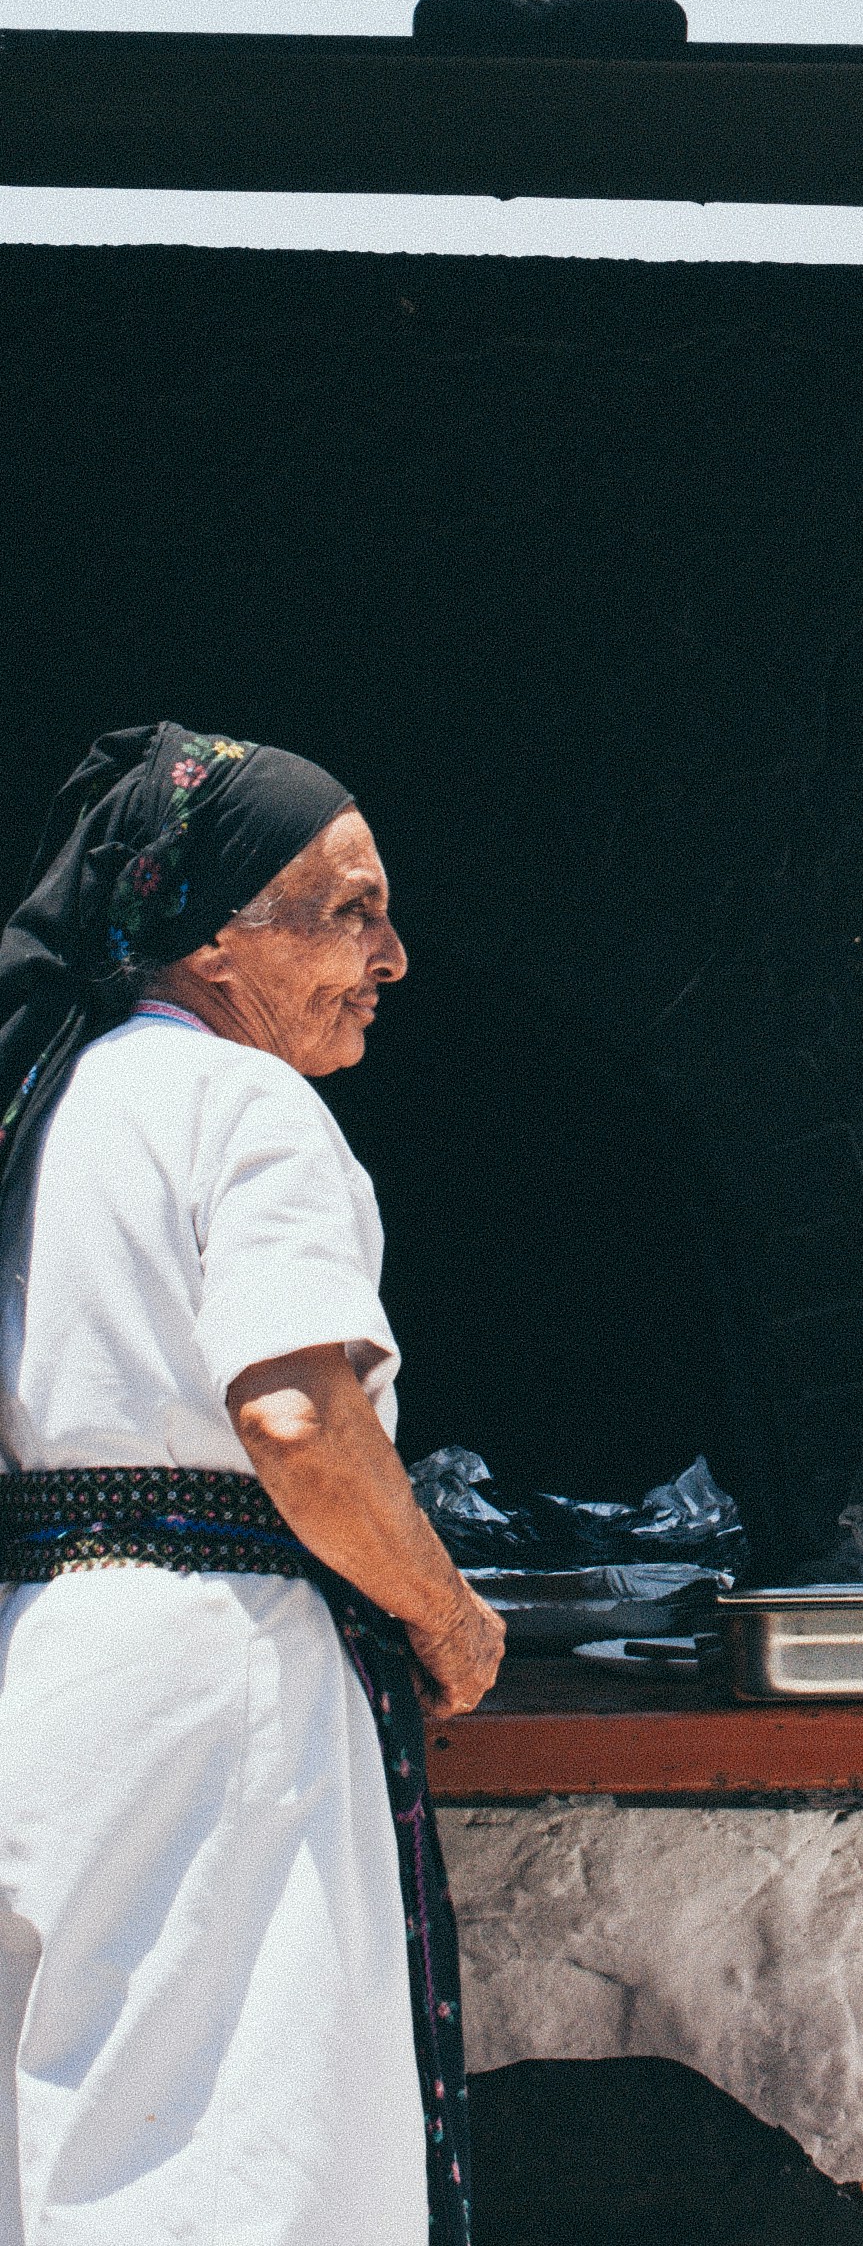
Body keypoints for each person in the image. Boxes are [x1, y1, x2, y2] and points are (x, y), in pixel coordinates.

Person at [0, 724, 505, 2246]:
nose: (392, 958)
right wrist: (447, 1613)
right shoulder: (244, 1104)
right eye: (351, 913)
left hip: (56, 1656)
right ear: (215, 937)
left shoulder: (52, 1112)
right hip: (221, 1689)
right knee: (241, 2160)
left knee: (91, 2144)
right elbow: (293, 1413)